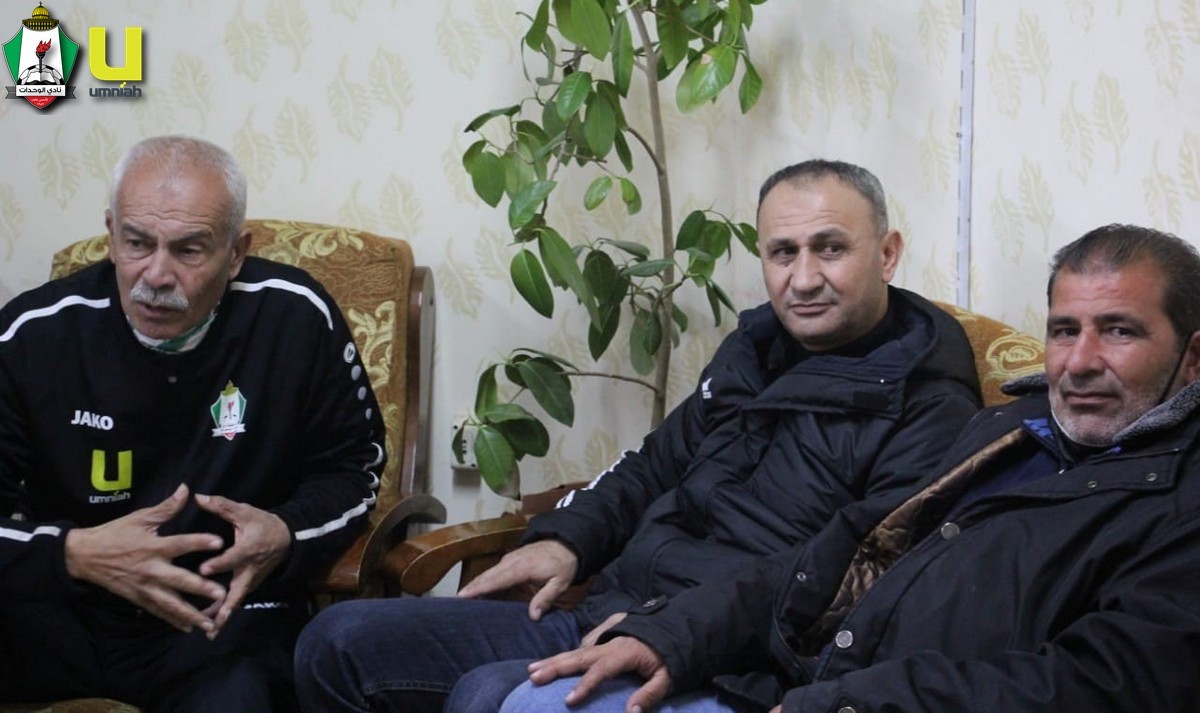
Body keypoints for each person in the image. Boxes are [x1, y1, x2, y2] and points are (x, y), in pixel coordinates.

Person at [295, 159, 985, 713]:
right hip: (615, 607)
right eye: (783, 253)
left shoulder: (930, 402)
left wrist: (668, 632)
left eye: (830, 249)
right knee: (337, 642)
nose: (803, 279)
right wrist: (569, 538)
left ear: (887, 253)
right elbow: (656, 461)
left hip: (731, 658)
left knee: (491, 694)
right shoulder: (755, 348)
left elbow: (848, 575)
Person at [508, 223, 1200, 713]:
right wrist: (673, 635)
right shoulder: (1011, 428)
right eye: (1063, 330)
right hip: (802, 675)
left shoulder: (1180, 497)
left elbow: (1099, 684)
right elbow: (840, 551)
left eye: (1119, 331)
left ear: (1192, 356)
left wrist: (846, 702)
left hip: (855, 697)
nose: (1078, 363)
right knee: (539, 695)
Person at [0, 135, 385, 712]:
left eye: (189, 250)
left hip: (220, 617)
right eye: (137, 243)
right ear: (111, 234)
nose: (156, 275)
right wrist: (73, 553)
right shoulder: (34, 332)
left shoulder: (293, 316)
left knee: (245, 693)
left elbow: (353, 469)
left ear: (236, 253)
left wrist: (287, 531)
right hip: (67, 608)